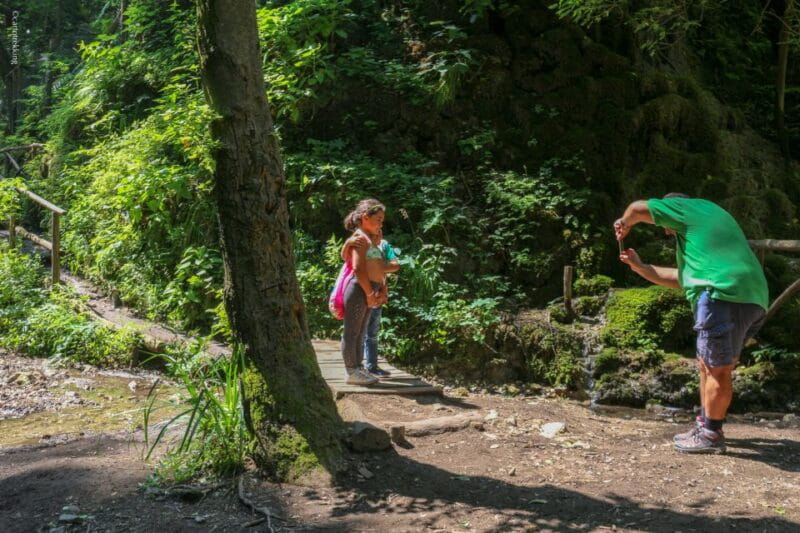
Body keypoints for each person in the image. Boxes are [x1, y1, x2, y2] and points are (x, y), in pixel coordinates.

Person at [614, 193, 768, 454]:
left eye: (666, 224)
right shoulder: (709, 225)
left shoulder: (686, 209)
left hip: (721, 293)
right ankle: (706, 423)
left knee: (716, 368)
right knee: (711, 364)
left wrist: (624, 223)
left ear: (674, 206)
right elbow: (682, 279)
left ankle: (710, 434)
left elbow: (637, 209)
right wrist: (640, 267)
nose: (666, 231)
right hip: (753, 297)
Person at [340, 199, 389, 386]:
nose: (381, 223)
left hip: (369, 290)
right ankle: (351, 370)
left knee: (361, 332)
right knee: (352, 332)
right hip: (359, 289)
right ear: (365, 217)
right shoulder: (360, 238)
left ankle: (359, 368)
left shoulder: (371, 239)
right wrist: (369, 293)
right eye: (378, 219)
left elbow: (378, 266)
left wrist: (381, 289)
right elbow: (358, 269)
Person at [343, 228, 400, 377]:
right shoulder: (361, 242)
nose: (379, 233)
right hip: (363, 291)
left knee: (371, 332)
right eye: (376, 231)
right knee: (356, 332)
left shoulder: (384, 246)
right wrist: (348, 243)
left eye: (381, 230)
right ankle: (354, 367)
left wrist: (382, 287)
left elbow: (395, 265)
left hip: (377, 292)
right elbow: (349, 260)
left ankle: (371, 366)